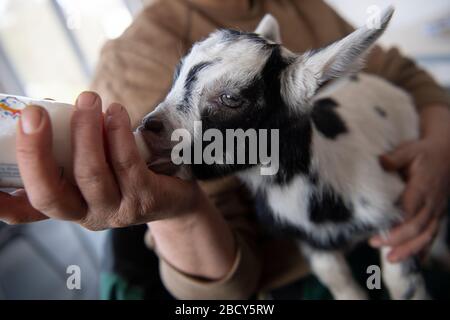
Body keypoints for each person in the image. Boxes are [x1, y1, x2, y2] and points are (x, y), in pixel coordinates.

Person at [1, 0, 450, 299]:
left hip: (381, 212)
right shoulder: (135, 57)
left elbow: (404, 73)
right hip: (280, 284)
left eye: (230, 98)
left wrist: (437, 149)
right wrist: (179, 209)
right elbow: (224, 290)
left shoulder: (294, 5)